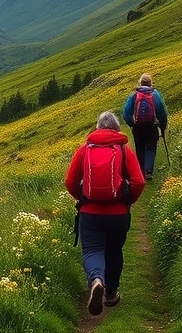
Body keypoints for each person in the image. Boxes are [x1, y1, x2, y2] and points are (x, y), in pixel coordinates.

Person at [64, 110, 146, 315]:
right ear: (117, 129)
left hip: (90, 212)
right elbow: (139, 181)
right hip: (118, 213)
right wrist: (127, 201)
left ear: (98, 128)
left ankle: (96, 280)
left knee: (92, 250)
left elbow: (70, 182)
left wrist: (82, 199)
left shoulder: (84, 149)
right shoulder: (124, 150)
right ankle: (110, 294)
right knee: (114, 250)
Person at [122, 72, 168, 180]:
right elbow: (162, 111)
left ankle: (141, 172)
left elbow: (126, 112)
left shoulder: (134, 95)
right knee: (151, 148)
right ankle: (148, 172)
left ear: (140, 82)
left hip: (137, 128)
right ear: (151, 83)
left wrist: (131, 123)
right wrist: (162, 125)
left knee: (140, 148)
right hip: (152, 126)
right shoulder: (155, 94)